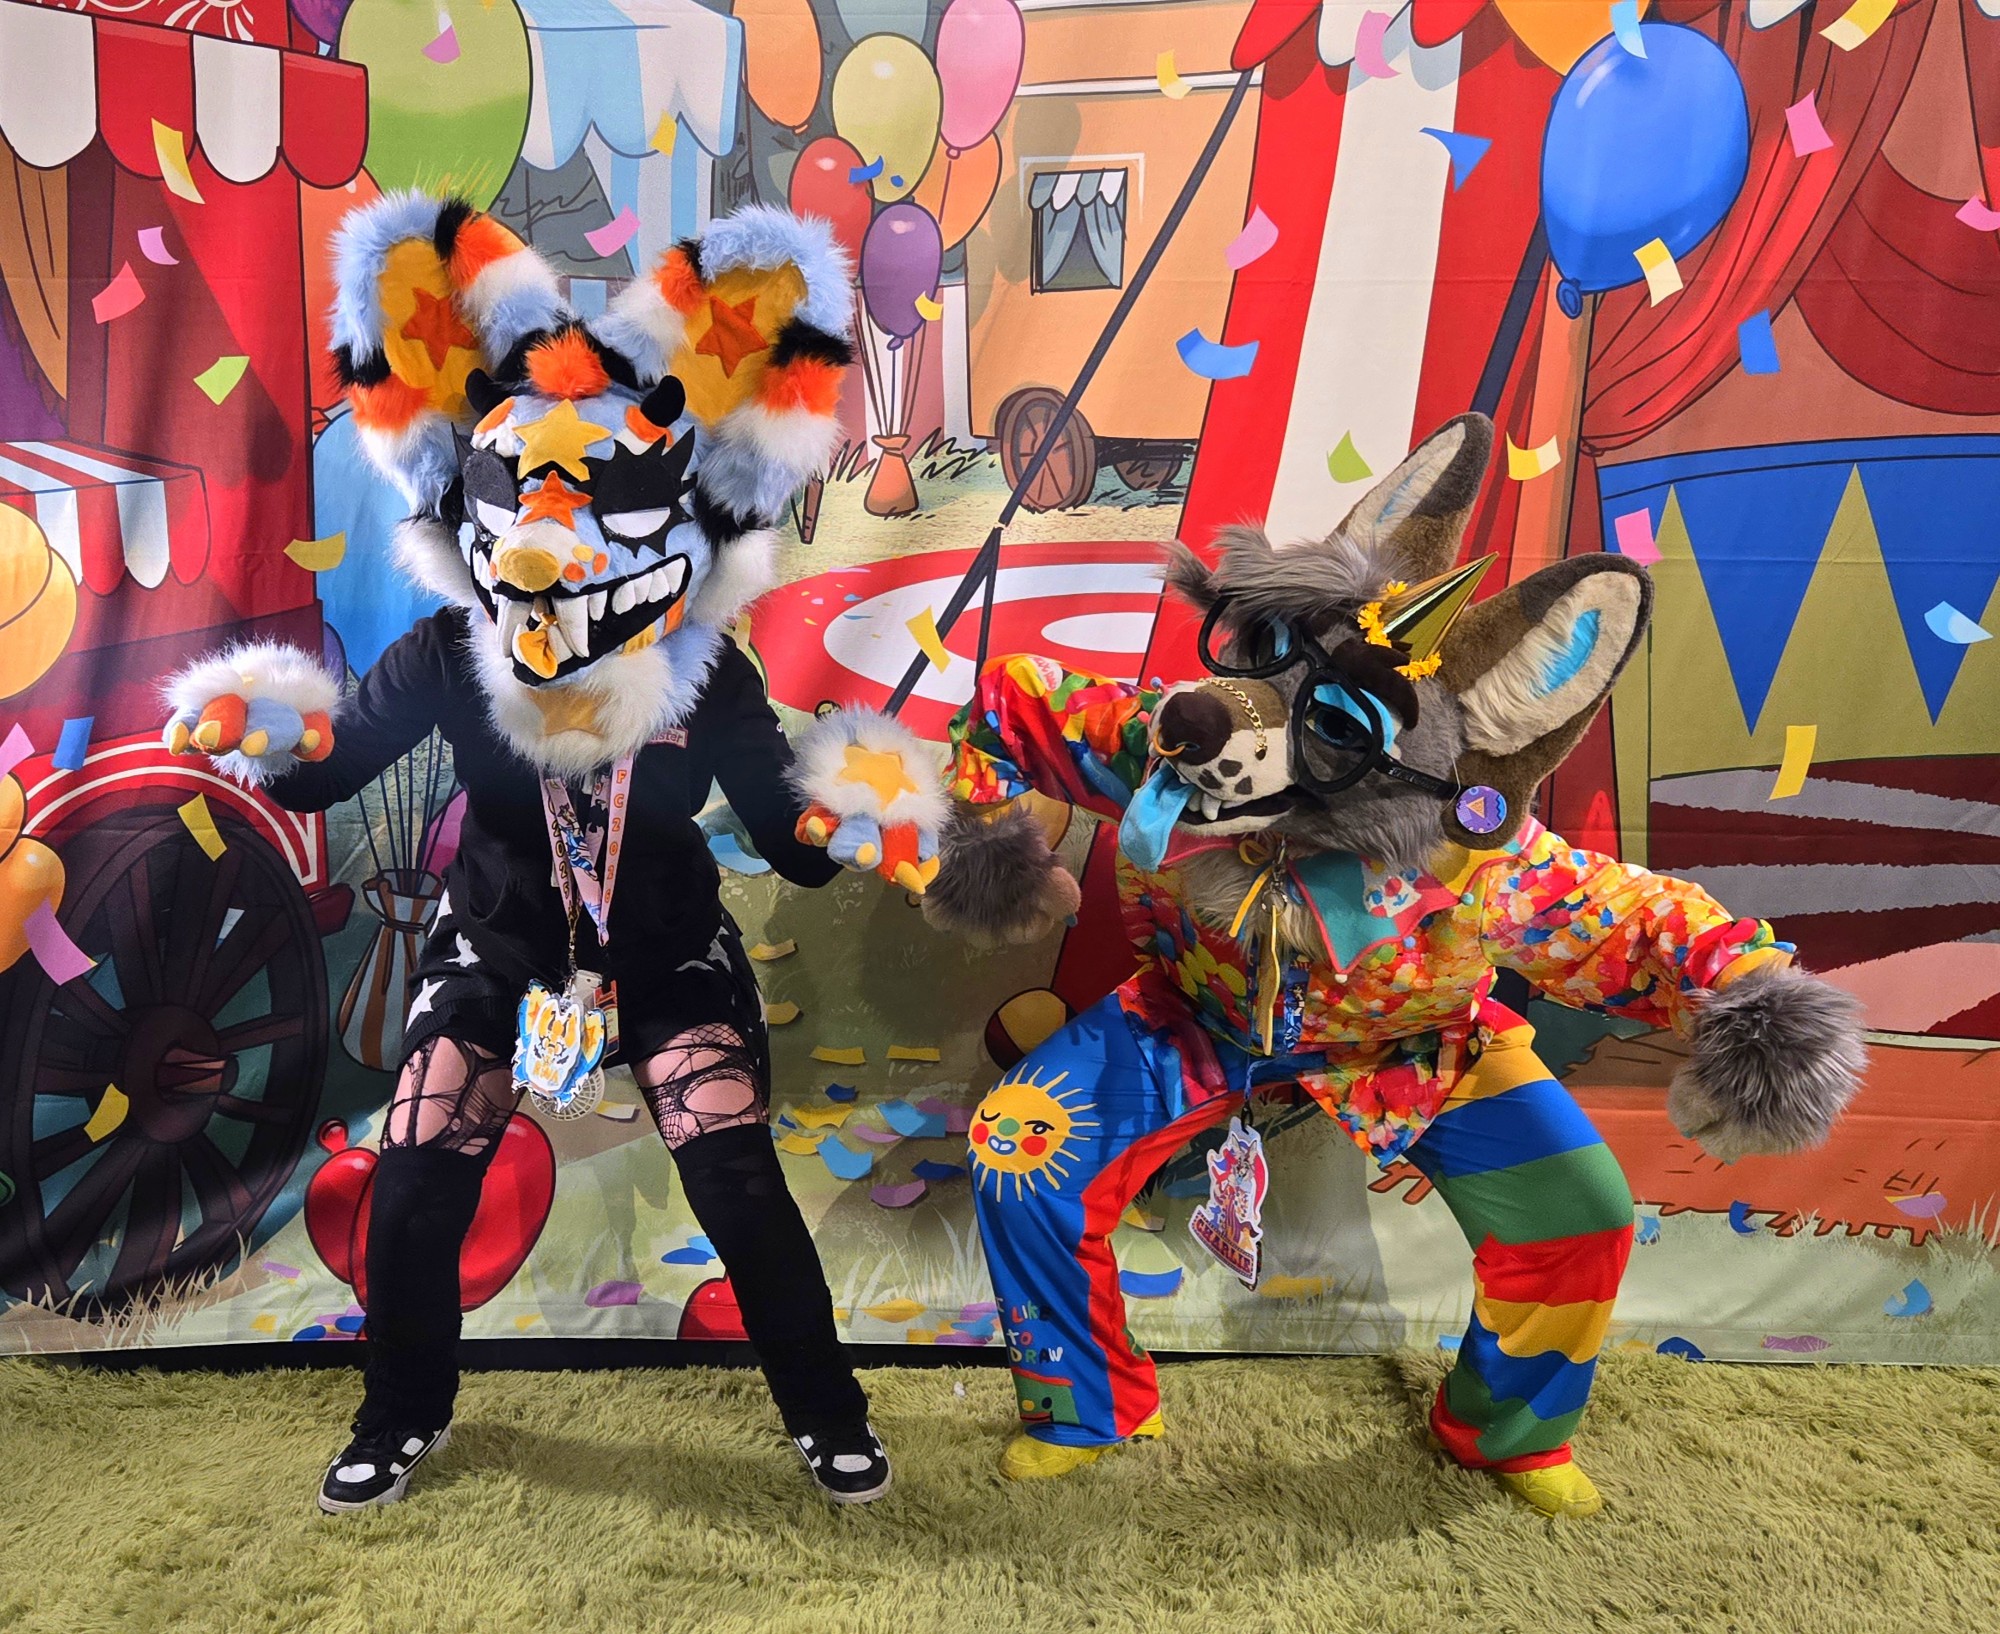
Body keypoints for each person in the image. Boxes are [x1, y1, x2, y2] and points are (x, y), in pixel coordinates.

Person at [162, 193, 941, 1510]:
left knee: (738, 1181)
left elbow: (785, 835)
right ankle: (400, 1413)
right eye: (519, 494)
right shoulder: (447, 654)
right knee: (416, 1178)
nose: (549, 543)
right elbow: (336, 763)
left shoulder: (709, 672)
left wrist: (844, 820)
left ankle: (830, 1414)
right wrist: (271, 729)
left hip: (669, 954)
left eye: (606, 501)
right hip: (498, 947)